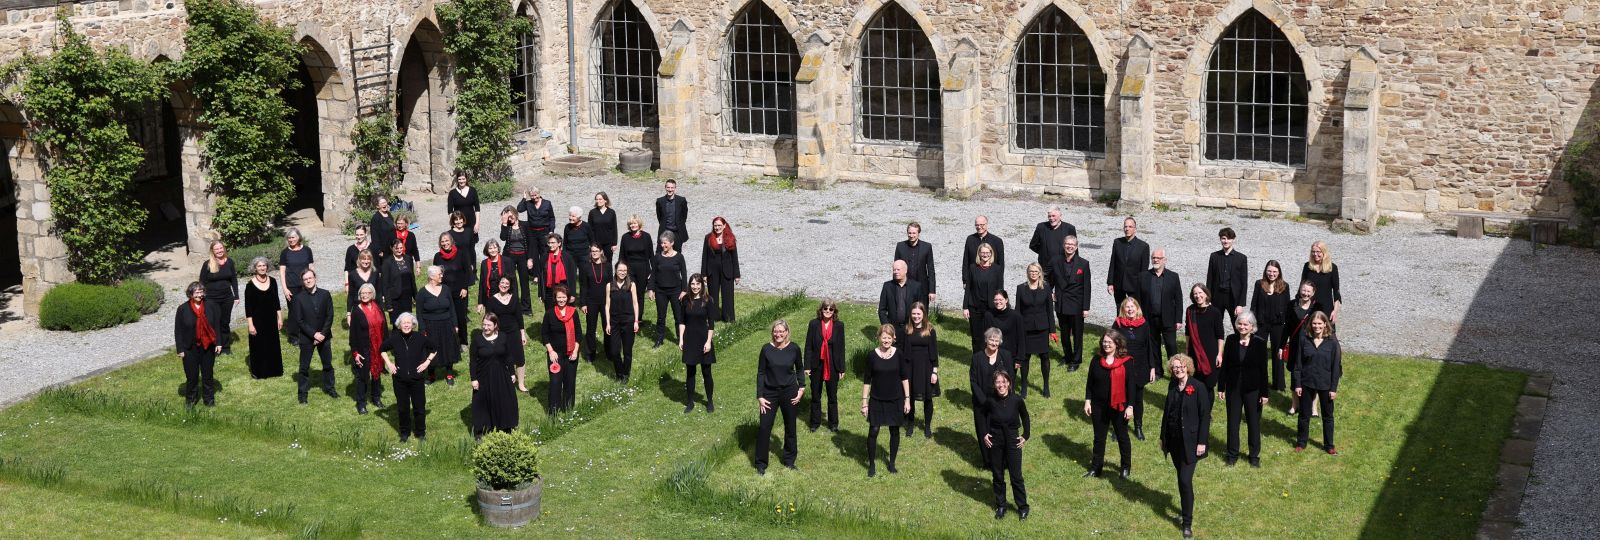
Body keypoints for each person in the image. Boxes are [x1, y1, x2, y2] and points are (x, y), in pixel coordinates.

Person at [1160, 354, 1211, 539]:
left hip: (1191, 443)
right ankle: (1185, 508)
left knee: (1184, 480)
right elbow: (1167, 412)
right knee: (1181, 479)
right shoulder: (1172, 386)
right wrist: (1162, 438)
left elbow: (1205, 416)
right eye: (1175, 367)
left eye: (1181, 366)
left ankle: (1187, 523)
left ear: (1188, 367)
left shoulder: (1198, 387)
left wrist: (1202, 442)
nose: (1178, 369)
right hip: (1174, 442)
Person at [755, 320, 805, 475]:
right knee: (764, 427)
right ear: (772, 333)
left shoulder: (794, 348)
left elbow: (800, 368)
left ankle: (789, 460)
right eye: (776, 331)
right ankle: (761, 464)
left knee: (790, 426)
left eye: (781, 331)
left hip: (789, 392)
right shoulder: (766, 349)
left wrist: (801, 388)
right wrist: (760, 396)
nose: (778, 334)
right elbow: (761, 373)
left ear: (787, 332)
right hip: (769, 394)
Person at [1219, 310, 1269, 467]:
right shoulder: (1231, 340)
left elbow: (1263, 370)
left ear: (1252, 326)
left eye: (1246, 324)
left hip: (1253, 389)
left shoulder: (1260, 343)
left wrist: (1264, 393)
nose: (1242, 327)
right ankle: (1232, 454)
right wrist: (1221, 387)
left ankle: (1254, 456)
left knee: (1253, 422)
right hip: (1233, 387)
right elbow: (1225, 365)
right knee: (1233, 422)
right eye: (1240, 324)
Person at [1083, 332, 1136, 478]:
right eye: (1104, 342)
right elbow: (1090, 382)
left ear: (1117, 344)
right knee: (1099, 438)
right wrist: (1088, 400)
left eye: (1109, 342)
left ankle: (1125, 467)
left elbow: (1131, 386)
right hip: (1098, 406)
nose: (1106, 344)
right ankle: (1096, 468)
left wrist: (1130, 406)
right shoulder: (1096, 360)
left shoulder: (1126, 361)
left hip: (1119, 406)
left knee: (1122, 436)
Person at [862, 324, 910, 477]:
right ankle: (871, 464)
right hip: (877, 399)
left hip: (895, 399)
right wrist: (864, 402)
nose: (886, 340)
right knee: (873, 431)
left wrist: (907, 399)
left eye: (889, 338)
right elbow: (867, 380)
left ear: (893, 338)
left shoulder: (899, 354)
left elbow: (904, 377)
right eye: (884, 338)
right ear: (878, 338)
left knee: (894, 430)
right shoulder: (872, 355)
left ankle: (892, 463)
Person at [1293, 311, 1342, 454]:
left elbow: (1336, 368)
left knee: (1328, 416)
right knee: (1304, 415)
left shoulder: (1332, 343)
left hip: (1325, 384)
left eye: (1319, 323)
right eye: (1314, 323)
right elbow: (1298, 364)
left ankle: (1329, 445)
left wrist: (1333, 388)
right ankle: (1301, 442)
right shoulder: (1304, 339)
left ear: (1325, 324)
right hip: (1307, 382)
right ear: (1310, 324)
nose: (1316, 326)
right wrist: (1297, 384)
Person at [984, 370, 1030, 520]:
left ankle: (1022, 507)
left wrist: (1025, 435)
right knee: (998, 475)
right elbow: (982, 415)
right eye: (998, 382)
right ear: (994, 384)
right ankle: (1001, 506)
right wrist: (985, 433)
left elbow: (1025, 416)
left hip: (1012, 439)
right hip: (996, 440)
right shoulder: (990, 401)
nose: (1001, 385)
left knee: (1016, 476)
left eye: (1003, 382)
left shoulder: (1017, 400)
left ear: (1009, 383)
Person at [381, 312, 435, 442]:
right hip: (400, 380)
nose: (406, 325)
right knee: (403, 408)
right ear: (399, 325)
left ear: (413, 324)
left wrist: (427, 362)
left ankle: (420, 433)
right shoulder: (394, 338)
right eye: (404, 323)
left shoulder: (420, 337)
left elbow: (434, 348)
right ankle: (404, 433)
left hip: (417, 379)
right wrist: (389, 364)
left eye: (409, 322)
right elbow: (382, 349)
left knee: (419, 407)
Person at [1111, 297, 1158, 440]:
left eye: (1133, 306)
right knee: (1121, 398)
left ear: (1137, 308)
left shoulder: (1144, 324)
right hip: (1122, 366)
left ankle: (1138, 427)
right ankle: (1119, 427)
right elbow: (1111, 344)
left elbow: (1149, 346)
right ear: (1123, 309)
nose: (1130, 309)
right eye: (1127, 307)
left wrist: (1152, 367)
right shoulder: (1118, 324)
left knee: (1137, 399)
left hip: (1140, 367)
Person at [969, 328, 1015, 468]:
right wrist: (984, 401)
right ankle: (988, 461)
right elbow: (973, 381)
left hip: (1001, 401)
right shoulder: (977, 358)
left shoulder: (1006, 356)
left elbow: (1011, 378)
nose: (994, 343)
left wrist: (1006, 397)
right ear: (986, 340)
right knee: (983, 431)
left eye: (996, 340)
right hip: (982, 403)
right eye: (991, 340)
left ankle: (1004, 461)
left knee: (1001, 431)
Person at [292, 269, 338, 403]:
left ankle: (330, 388)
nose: (308, 281)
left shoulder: (325, 294)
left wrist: (322, 334)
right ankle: (302, 394)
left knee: (327, 364)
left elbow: (330, 315)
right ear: (303, 282)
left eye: (310, 278)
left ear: (315, 278)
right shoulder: (298, 298)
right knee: (304, 367)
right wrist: (314, 334)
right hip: (307, 338)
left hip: (324, 336)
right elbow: (299, 320)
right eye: (305, 279)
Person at [471, 313, 520, 437]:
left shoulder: (503, 337)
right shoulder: (477, 340)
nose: (485, 327)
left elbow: (508, 356)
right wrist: (474, 379)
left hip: (501, 375)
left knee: (504, 400)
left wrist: (512, 373)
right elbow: (473, 362)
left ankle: (505, 426)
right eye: (484, 324)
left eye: (489, 325)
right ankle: (480, 430)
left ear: (495, 325)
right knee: (482, 402)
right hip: (483, 376)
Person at [175, 282, 222, 409]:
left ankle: (209, 400)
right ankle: (190, 400)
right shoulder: (182, 309)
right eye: (196, 292)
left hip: (208, 346)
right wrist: (180, 349)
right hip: (189, 348)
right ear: (190, 294)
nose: (199, 295)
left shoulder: (211, 306)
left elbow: (217, 325)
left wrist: (218, 343)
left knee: (207, 375)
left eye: (201, 292)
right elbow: (178, 330)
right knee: (192, 376)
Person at [479, 276, 530, 392]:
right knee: (503, 359)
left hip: (514, 333)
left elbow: (519, 318)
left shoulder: (514, 298)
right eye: (502, 283)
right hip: (500, 334)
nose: (504, 285)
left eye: (507, 283)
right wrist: (489, 335)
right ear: (498, 284)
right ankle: (505, 382)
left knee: (520, 359)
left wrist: (522, 334)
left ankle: (521, 384)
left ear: (510, 286)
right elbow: (488, 319)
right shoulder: (491, 300)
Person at [1137, 248, 1183, 371]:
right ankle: (1157, 371)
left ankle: (1175, 371)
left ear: (1164, 260)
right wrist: (1139, 317)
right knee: (1153, 346)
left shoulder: (1173, 276)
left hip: (1168, 318)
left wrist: (1178, 319)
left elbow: (1178, 299)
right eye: (1153, 258)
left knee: (1171, 345)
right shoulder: (1143, 276)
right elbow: (1138, 299)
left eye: (1158, 258)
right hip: (1149, 318)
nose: (1156, 260)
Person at [1050, 235, 1091, 372]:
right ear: (1063, 245)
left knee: (1077, 335)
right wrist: (1049, 292)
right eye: (1067, 244)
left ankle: (1076, 360)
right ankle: (1067, 356)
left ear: (1076, 246)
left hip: (1076, 305)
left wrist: (1086, 307)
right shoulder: (1056, 261)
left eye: (1072, 244)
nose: (1069, 246)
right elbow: (1048, 278)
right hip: (1061, 303)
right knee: (1064, 333)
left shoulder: (1083, 264)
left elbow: (1087, 287)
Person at [804, 300, 846, 433]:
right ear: (821, 310)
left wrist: (842, 368)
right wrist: (807, 366)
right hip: (816, 364)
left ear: (834, 311)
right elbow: (808, 346)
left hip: (832, 365)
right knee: (815, 395)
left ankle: (833, 423)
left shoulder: (839, 325)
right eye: (825, 308)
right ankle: (815, 423)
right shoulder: (814, 324)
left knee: (832, 396)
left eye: (831, 309)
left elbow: (841, 348)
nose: (828, 311)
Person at [415, 266, 461, 385]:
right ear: (431, 276)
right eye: (439, 274)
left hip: (447, 324)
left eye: (441, 274)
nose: (442, 276)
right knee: (431, 349)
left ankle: (449, 374)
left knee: (448, 348)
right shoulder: (422, 293)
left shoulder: (446, 289)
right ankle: (431, 375)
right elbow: (419, 313)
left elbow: (452, 308)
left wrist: (455, 324)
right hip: (430, 326)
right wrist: (422, 329)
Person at [1015, 263, 1056, 398]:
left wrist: (1052, 330)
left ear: (1040, 273)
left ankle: (1046, 386)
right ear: (1027, 273)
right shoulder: (1021, 288)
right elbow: (1018, 311)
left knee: (1045, 356)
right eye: (1031, 271)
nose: (1033, 274)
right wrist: (1017, 329)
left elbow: (1050, 310)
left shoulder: (1046, 287)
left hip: (1042, 328)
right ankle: (1024, 386)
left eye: (1036, 271)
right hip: (1026, 329)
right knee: (1025, 357)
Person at [1250, 261, 1290, 391]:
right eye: (1269, 271)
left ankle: (1279, 384)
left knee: (1278, 353)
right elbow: (1254, 304)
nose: (1271, 274)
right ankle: (1259, 381)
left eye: (1274, 271)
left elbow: (1287, 306)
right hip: (1261, 324)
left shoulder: (1285, 286)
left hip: (1278, 325)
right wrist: (1252, 323)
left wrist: (1287, 324)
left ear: (1279, 272)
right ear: (1265, 271)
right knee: (1260, 353)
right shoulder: (1259, 284)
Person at [348, 284, 388, 414]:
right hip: (363, 349)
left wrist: (386, 346)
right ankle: (361, 403)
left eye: (367, 293)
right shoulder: (357, 311)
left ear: (372, 294)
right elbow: (353, 335)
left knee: (377, 373)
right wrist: (355, 353)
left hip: (378, 347)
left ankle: (376, 398)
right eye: (362, 293)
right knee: (363, 376)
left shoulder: (378, 307)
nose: (365, 295)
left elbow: (384, 327)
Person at [680, 274, 718, 413]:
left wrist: (708, 342)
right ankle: (690, 402)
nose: (695, 287)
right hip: (689, 339)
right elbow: (682, 321)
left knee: (706, 372)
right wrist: (681, 339)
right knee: (690, 373)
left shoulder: (707, 300)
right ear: (689, 285)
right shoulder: (685, 300)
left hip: (703, 339)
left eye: (697, 284)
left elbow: (711, 324)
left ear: (702, 285)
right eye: (692, 284)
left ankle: (709, 401)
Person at [900, 302, 939, 439]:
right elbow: (902, 351)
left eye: (918, 314)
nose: (916, 316)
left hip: (926, 368)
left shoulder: (930, 330)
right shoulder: (906, 330)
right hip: (910, 368)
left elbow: (934, 352)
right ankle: (910, 424)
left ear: (923, 314)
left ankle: (927, 426)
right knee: (909, 396)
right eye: (914, 314)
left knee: (928, 398)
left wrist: (934, 371)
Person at [1284, 281, 1323, 415]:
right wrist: (1281, 346)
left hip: (1312, 346)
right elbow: (1287, 327)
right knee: (1295, 375)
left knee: (1313, 375)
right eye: (1303, 290)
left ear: (1313, 293)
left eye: (1308, 291)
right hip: (1295, 345)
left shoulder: (1318, 306)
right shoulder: (1291, 304)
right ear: (1300, 290)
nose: (1305, 293)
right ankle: (1295, 405)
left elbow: (1322, 326)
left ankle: (1313, 407)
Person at [242, 257, 284, 378]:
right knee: (259, 346)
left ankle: (275, 371)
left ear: (267, 266)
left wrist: (280, 318)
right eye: (259, 266)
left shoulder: (273, 281)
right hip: (257, 321)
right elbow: (248, 308)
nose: (262, 268)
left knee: (272, 345)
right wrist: (250, 325)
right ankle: (259, 372)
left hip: (271, 319)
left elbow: (276, 301)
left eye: (264, 265)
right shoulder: (250, 285)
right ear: (255, 268)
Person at [542, 286, 582, 413]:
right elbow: (544, 335)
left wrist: (575, 351)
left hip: (571, 353)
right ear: (555, 298)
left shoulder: (573, 312)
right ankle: (553, 412)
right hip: (555, 354)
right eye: (559, 297)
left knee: (570, 382)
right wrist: (551, 351)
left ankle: (568, 410)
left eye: (564, 297)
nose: (561, 300)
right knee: (555, 382)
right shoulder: (549, 314)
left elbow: (579, 334)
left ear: (568, 298)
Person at [1185, 284, 1226, 399]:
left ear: (1206, 294)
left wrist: (1219, 354)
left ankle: (1207, 409)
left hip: (1210, 353)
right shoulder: (1190, 310)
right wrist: (1187, 350)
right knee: (1194, 382)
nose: (1198, 296)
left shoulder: (1215, 312)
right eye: (1195, 294)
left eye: (1200, 293)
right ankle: (1196, 407)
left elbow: (1220, 336)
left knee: (1208, 384)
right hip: (1194, 352)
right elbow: (1188, 332)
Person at [199, 240, 239, 355]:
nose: (219, 250)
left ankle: (225, 347)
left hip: (227, 298)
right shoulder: (207, 264)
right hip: (211, 299)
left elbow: (234, 279)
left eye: (221, 248)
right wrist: (201, 297)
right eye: (216, 249)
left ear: (224, 248)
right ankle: (216, 346)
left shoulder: (229, 262)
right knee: (214, 323)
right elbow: (202, 282)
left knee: (225, 322)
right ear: (212, 251)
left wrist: (236, 296)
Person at [434, 232, 474, 348]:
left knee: (461, 317)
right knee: (447, 317)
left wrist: (465, 287)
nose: (445, 243)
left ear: (451, 241)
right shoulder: (437, 257)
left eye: (447, 240)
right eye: (442, 241)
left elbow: (467, 272)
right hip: (444, 292)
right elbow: (436, 275)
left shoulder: (461, 254)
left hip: (460, 291)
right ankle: (450, 341)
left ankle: (463, 341)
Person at [648, 232, 687, 348]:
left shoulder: (679, 257)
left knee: (678, 316)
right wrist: (651, 289)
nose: (662, 245)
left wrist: (684, 290)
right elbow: (653, 274)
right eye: (661, 243)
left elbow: (684, 274)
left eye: (665, 243)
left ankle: (680, 338)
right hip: (661, 291)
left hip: (676, 291)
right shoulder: (657, 257)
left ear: (672, 243)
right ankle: (659, 339)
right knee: (661, 316)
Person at [964, 243, 1004, 354]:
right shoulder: (972, 268)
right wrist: (965, 307)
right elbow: (968, 289)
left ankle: (991, 357)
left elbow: (1000, 289)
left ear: (991, 254)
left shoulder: (997, 269)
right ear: (979, 254)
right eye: (983, 252)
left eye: (987, 252)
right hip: (975, 307)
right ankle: (977, 358)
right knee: (976, 337)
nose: (985, 255)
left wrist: (1001, 305)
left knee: (991, 335)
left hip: (991, 308)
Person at [604, 262, 641, 382]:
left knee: (627, 351)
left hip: (628, 321)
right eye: (620, 270)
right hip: (614, 322)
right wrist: (608, 323)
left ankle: (626, 374)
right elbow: (607, 305)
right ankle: (619, 373)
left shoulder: (631, 285)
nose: (622, 272)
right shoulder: (609, 285)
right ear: (615, 271)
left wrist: (636, 321)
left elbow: (635, 304)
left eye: (625, 270)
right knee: (614, 352)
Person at [1206, 227, 1249, 328]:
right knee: (1214, 325)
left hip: (1233, 297)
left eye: (1229, 238)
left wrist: (1240, 304)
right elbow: (1210, 279)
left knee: (1238, 326)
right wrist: (1208, 299)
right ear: (1220, 239)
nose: (1226, 241)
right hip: (1217, 296)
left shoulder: (1241, 258)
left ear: (1233, 239)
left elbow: (1244, 283)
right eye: (1223, 238)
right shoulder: (1214, 256)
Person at [701, 216, 741, 322]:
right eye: (715, 225)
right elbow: (704, 256)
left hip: (727, 270)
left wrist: (737, 275)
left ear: (724, 226)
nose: (717, 228)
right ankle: (714, 317)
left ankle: (728, 317)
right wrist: (704, 274)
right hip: (712, 271)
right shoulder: (708, 237)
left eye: (719, 225)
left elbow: (734, 257)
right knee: (713, 295)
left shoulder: (730, 238)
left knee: (728, 295)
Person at [278, 227, 314, 344]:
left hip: (306, 285)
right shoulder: (285, 253)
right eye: (289, 238)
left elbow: (311, 267)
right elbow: (282, 272)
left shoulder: (307, 250)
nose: (291, 240)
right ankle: (294, 337)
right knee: (294, 312)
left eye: (293, 237)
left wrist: (313, 282)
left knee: (307, 310)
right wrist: (285, 289)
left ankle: (307, 333)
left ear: (299, 237)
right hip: (291, 286)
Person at [1106, 216, 1149, 310]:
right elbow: (1113, 263)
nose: (1127, 229)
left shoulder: (1143, 246)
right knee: (1120, 310)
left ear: (1135, 229)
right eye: (1125, 226)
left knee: (1134, 310)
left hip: (1134, 286)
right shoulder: (1117, 242)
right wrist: (1110, 283)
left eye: (1130, 227)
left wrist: (1142, 287)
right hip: (1119, 284)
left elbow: (1144, 270)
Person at [578, 245, 612, 362]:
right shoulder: (586, 266)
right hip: (591, 301)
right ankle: (590, 353)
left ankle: (609, 351)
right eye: (592, 251)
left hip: (605, 301)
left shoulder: (608, 266)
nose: (594, 253)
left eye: (596, 251)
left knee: (607, 326)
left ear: (601, 252)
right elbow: (583, 285)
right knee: (591, 328)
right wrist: (583, 303)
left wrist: (612, 300)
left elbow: (610, 284)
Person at [984, 290, 1025, 387]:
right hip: (994, 354)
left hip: (1011, 355)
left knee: (1009, 383)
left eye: (1000, 299)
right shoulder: (988, 315)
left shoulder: (1016, 316)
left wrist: (1019, 359)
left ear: (1006, 300)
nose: (998, 302)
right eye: (996, 300)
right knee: (994, 382)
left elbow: (1021, 338)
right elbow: (985, 337)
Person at [500, 206, 535, 313]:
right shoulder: (506, 225)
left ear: (516, 214)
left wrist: (530, 258)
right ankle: (513, 305)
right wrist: (504, 223)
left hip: (523, 256)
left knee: (524, 282)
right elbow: (502, 237)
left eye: (511, 216)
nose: (510, 219)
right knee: (511, 281)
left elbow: (531, 242)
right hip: (509, 256)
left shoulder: (525, 225)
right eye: (508, 217)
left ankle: (526, 308)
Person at [1028, 206, 1075, 285]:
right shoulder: (1041, 227)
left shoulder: (1069, 228)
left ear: (1060, 216)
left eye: (1053, 216)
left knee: (1062, 290)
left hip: (1063, 267)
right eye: (1049, 216)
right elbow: (1033, 245)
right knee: (1043, 289)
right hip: (1045, 267)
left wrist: (1074, 266)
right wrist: (1044, 252)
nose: (1051, 218)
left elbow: (1074, 248)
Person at [893, 222, 936, 308]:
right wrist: (895, 287)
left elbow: (931, 270)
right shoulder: (900, 246)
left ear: (918, 233)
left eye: (914, 233)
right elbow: (896, 268)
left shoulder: (926, 247)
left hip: (922, 287)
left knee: (922, 311)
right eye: (909, 233)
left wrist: (932, 291)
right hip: (905, 286)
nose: (911, 235)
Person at [618, 216, 654, 316]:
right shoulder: (625, 237)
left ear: (639, 224)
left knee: (640, 295)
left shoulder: (646, 236)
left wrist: (653, 271)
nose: (632, 225)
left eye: (634, 223)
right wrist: (620, 270)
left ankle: (638, 318)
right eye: (631, 224)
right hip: (629, 270)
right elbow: (621, 256)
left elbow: (651, 255)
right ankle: (629, 316)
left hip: (643, 269)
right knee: (629, 293)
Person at [1301, 241, 1342, 324]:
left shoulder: (1332, 268)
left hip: (1326, 308)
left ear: (1324, 252)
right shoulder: (1307, 266)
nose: (1315, 254)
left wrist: (1335, 311)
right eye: (1313, 252)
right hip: (1309, 307)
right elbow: (1301, 288)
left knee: (1327, 331)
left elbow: (1336, 292)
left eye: (1318, 252)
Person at [877, 260, 924, 327]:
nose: (896, 272)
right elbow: (882, 310)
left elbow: (921, 308)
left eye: (898, 269)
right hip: (892, 327)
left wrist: (917, 326)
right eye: (894, 270)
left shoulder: (916, 286)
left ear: (905, 270)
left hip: (911, 327)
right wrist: (887, 326)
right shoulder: (887, 286)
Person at [380, 241, 418, 323]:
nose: (399, 250)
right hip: (395, 298)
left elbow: (412, 279)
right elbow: (385, 284)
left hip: (407, 297)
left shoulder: (408, 259)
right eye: (397, 248)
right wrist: (388, 304)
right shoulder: (387, 262)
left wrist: (416, 296)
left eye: (401, 248)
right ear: (391, 248)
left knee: (407, 322)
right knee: (397, 323)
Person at [962, 215, 1005, 288]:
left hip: (991, 281)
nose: (979, 227)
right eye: (977, 225)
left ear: (986, 224)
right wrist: (965, 280)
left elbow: (1001, 264)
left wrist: (1000, 285)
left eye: (982, 225)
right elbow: (966, 261)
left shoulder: (997, 241)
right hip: (974, 281)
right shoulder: (970, 239)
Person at [539, 233, 578, 309]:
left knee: (563, 313)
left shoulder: (567, 257)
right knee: (550, 313)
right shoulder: (544, 257)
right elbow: (541, 276)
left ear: (559, 243)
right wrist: (540, 294)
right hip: (549, 292)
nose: (550, 245)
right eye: (549, 243)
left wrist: (573, 294)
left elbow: (572, 277)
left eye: (553, 243)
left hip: (563, 291)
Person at [519, 184, 556, 262]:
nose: (534, 197)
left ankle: (545, 269)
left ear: (539, 194)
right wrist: (524, 198)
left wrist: (551, 230)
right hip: (532, 233)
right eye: (532, 196)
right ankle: (536, 270)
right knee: (533, 254)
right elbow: (519, 209)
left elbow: (552, 218)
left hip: (544, 233)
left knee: (545, 253)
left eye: (535, 195)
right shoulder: (528, 203)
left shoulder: (547, 203)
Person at [447, 169, 482, 248]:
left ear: (466, 179)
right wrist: (454, 224)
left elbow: (477, 209)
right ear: (457, 180)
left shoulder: (473, 191)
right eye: (459, 179)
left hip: (471, 223)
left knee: (471, 245)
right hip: (458, 223)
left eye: (463, 179)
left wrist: (477, 224)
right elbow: (450, 211)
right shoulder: (452, 193)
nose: (461, 181)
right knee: (458, 245)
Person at [345, 249, 381, 326]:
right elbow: (351, 295)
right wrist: (348, 314)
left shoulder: (375, 272)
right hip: (358, 309)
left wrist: (380, 310)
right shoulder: (352, 274)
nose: (366, 261)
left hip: (373, 308)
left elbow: (378, 292)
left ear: (371, 260)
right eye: (363, 259)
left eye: (368, 259)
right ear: (359, 260)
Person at [478, 240, 515, 309]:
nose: (493, 250)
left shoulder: (507, 261)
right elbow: (482, 283)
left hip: (504, 297)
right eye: (490, 248)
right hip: (489, 297)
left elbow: (513, 282)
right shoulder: (484, 263)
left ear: (498, 249)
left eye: (495, 248)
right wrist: (480, 302)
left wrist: (514, 299)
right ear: (487, 250)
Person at [655, 179, 689, 252]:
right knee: (661, 253)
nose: (670, 190)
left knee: (677, 253)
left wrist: (679, 225)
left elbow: (684, 216)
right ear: (665, 188)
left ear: (675, 188)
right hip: (664, 232)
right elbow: (659, 217)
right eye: (668, 187)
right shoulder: (660, 201)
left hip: (677, 232)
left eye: (672, 187)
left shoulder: (681, 200)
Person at [589, 192, 618, 259]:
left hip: (608, 243)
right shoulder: (592, 212)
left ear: (605, 200)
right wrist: (591, 243)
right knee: (596, 261)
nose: (598, 201)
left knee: (608, 261)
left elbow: (614, 228)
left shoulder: (611, 212)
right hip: (596, 242)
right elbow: (590, 229)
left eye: (600, 199)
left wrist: (614, 244)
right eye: (596, 199)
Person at [447, 211, 476, 277]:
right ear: (453, 221)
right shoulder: (449, 234)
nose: (459, 221)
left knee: (467, 282)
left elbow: (472, 249)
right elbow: (448, 251)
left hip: (467, 261)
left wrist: (472, 264)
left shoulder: (469, 231)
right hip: (455, 263)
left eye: (460, 219)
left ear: (463, 219)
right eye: (456, 219)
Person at [369, 196, 396, 260]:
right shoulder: (375, 218)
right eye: (382, 203)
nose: (384, 204)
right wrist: (378, 250)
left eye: (385, 202)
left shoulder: (389, 214)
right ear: (377, 206)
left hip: (392, 247)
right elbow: (374, 236)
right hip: (383, 250)